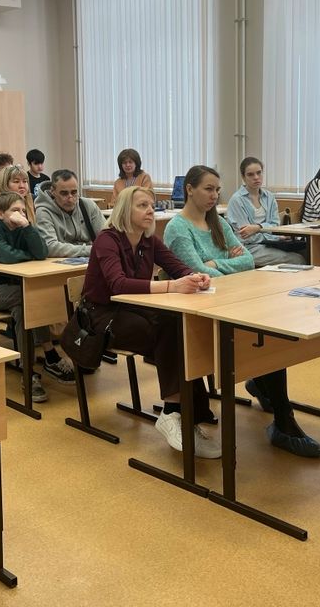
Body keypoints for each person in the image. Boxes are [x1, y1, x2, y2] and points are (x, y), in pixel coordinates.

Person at [165, 166, 320, 457]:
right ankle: (280, 414)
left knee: (269, 335)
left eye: (217, 190)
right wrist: (223, 265)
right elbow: (198, 274)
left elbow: (248, 260)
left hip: (234, 298)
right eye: (208, 189)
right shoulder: (177, 229)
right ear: (189, 189)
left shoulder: (217, 222)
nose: (214, 195)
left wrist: (216, 264)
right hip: (201, 310)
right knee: (260, 336)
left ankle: (278, 409)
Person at [80, 185, 220, 456]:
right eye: (142, 205)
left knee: (179, 327)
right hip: (101, 317)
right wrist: (172, 286)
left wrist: (196, 277)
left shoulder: (149, 240)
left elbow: (177, 267)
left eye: (151, 206)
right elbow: (118, 284)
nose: (150, 211)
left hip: (135, 310)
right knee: (169, 331)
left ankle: (179, 414)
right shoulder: (108, 239)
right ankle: (176, 413)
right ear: (125, 210)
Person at [0, 192, 76, 404]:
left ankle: (29, 368)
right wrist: (29, 255)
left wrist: (28, 227)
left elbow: (41, 252)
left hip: (14, 290)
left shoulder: (23, 228)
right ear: (1, 214)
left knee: (31, 301)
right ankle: (38, 363)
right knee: (29, 299)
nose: (20, 214)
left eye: (22, 210)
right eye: (14, 211)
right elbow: (7, 256)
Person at [226, 156, 308, 266]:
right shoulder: (237, 200)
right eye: (250, 174)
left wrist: (257, 228)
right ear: (243, 177)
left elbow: (275, 225)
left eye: (259, 173)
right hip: (248, 248)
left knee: (306, 251)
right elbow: (246, 236)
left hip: (269, 243)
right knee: (297, 259)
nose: (256, 177)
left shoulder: (269, 196)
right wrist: (274, 237)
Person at [35, 169, 105, 259]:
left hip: (91, 259)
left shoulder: (88, 205)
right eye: (64, 193)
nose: (70, 198)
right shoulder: (44, 212)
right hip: (59, 264)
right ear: (52, 191)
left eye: (74, 192)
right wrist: (91, 250)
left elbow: (107, 237)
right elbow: (50, 247)